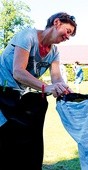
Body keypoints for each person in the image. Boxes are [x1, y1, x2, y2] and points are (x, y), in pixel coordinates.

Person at [0, 12, 77, 170]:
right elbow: (18, 72)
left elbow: (56, 78)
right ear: (57, 23)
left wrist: (64, 89)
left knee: (25, 139)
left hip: (18, 95)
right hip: (2, 91)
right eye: (68, 31)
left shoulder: (54, 52)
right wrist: (46, 87)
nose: (68, 37)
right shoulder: (28, 36)